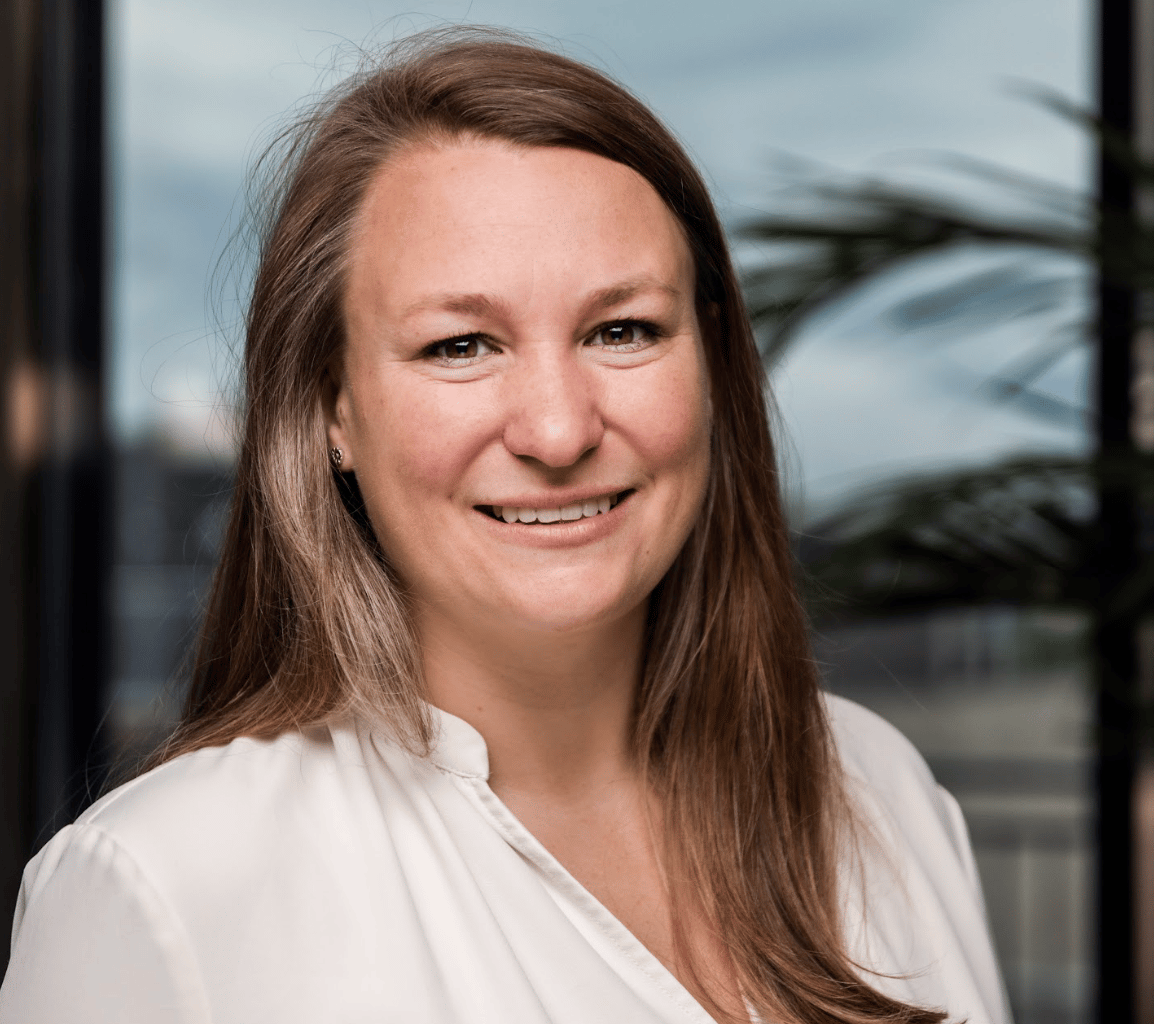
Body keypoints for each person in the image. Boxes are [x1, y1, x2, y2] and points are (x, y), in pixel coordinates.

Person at [0, 30, 1008, 1024]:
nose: (559, 429)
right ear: (331, 412)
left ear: (711, 367)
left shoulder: (879, 788)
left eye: (622, 330)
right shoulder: (166, 887)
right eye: (460, 345)